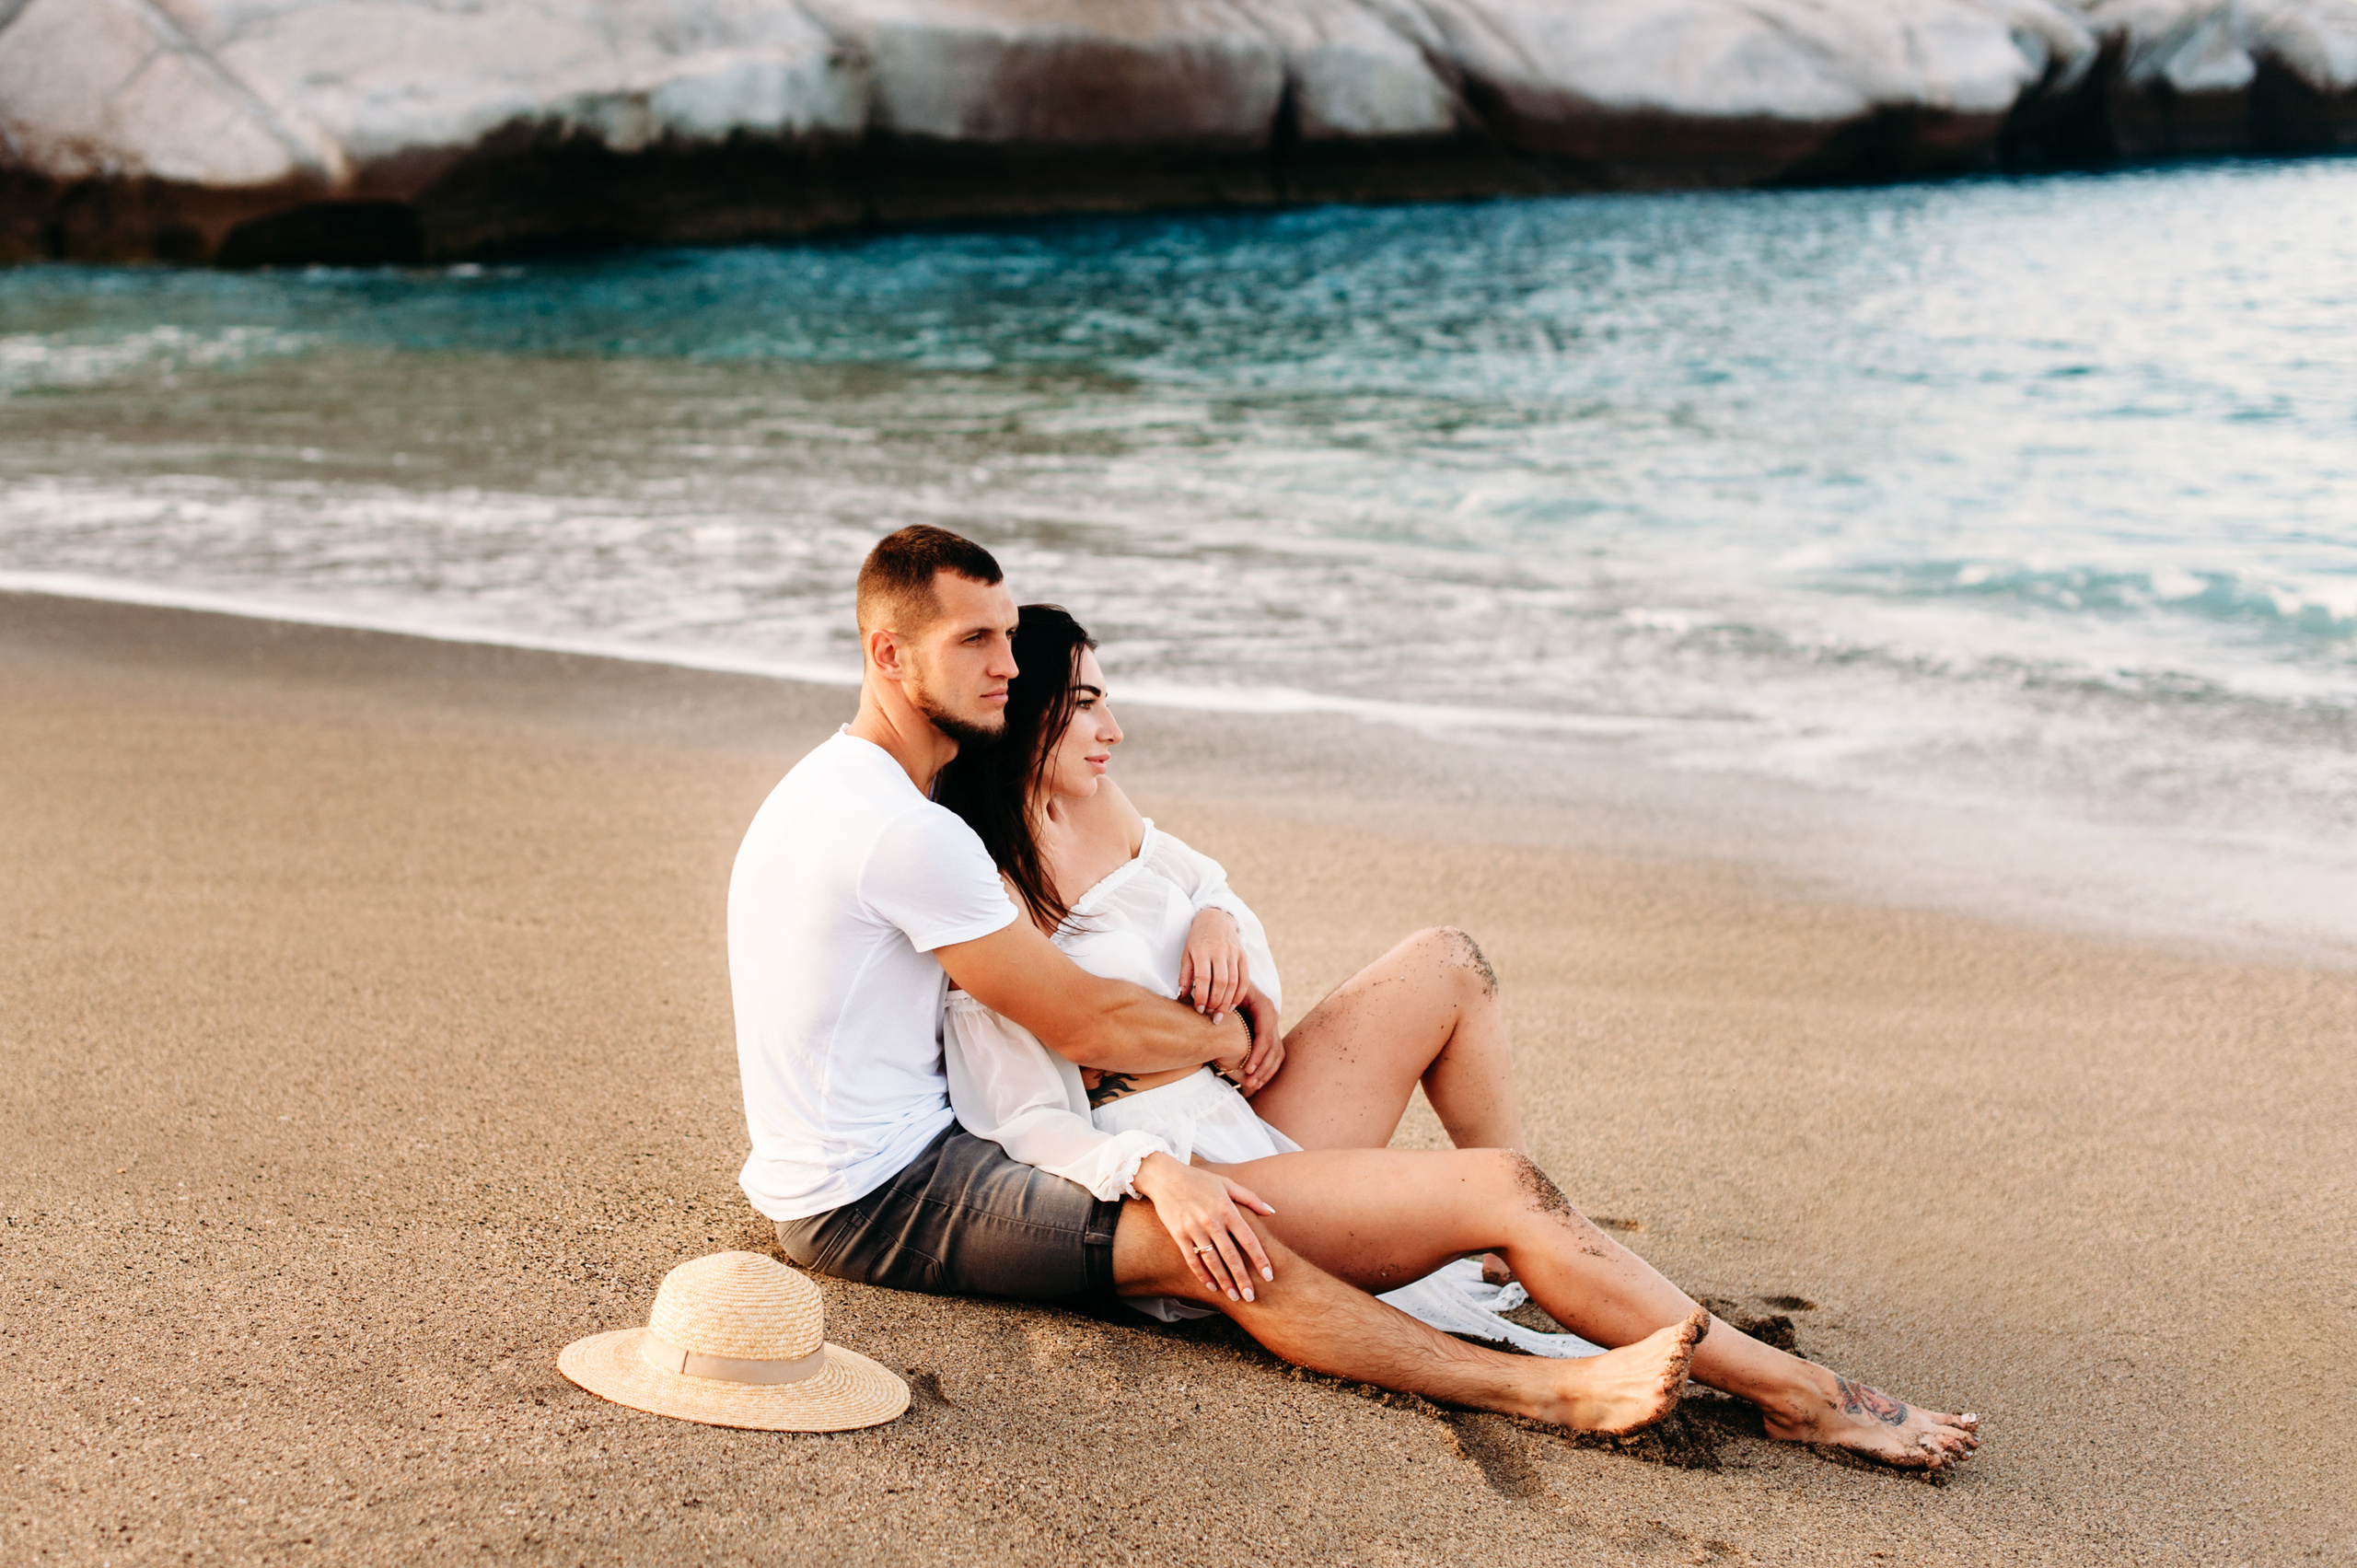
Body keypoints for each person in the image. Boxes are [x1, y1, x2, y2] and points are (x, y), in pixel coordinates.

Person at [728, 525, 1980, 1466]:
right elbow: (1053, 1066)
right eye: (991, 652)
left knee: (1448, 966)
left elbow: (1189, 875)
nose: (1013, 671)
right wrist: (1191, 1089)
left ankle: (1552, 1260)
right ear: (894, 656)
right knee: (1464, 1199)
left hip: (1218, 1102)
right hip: (1086, 1151)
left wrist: (1227, 934)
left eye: (1015, 645)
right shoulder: (948, 852)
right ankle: (1793, 1390)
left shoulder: (1003, 805)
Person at [933, 604, 1600, 1357]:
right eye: (1086, 704)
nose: (1113, 729)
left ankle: (1503, 1252)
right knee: (1493, 1188)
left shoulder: (1099, 803)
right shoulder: (983, 885)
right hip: (1185, 1171)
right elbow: (1017, 1119)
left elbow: (1208, 882)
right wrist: (1152, 1172)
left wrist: (1215, 918)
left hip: (1235, 1102)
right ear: (1022, 709)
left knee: (1447, 960)